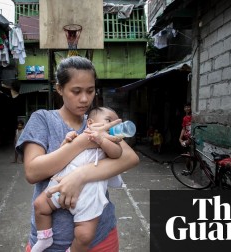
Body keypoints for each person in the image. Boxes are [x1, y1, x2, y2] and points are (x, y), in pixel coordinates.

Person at [16, 56, 139, 252]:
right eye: (76, 91)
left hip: (100, 236)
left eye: (90, 91)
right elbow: (33, 171)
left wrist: (79, 176)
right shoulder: (43, 119)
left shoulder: (97, 120)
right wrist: (82, 142)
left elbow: (130, 157)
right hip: (52, 243)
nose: (84, 99)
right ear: (59, 89)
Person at [31, 107, 123, 252]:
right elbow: (61, 156)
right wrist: (67, 142)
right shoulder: (78, 136)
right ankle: (44, 237)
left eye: (116, 124)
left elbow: (117, 154)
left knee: (85, 235)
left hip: (89, 196)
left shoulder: (111, 142)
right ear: (90, 123)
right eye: (108, 121)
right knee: (40, 205)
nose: (112, 126)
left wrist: (102, 140)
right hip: (62, 184)